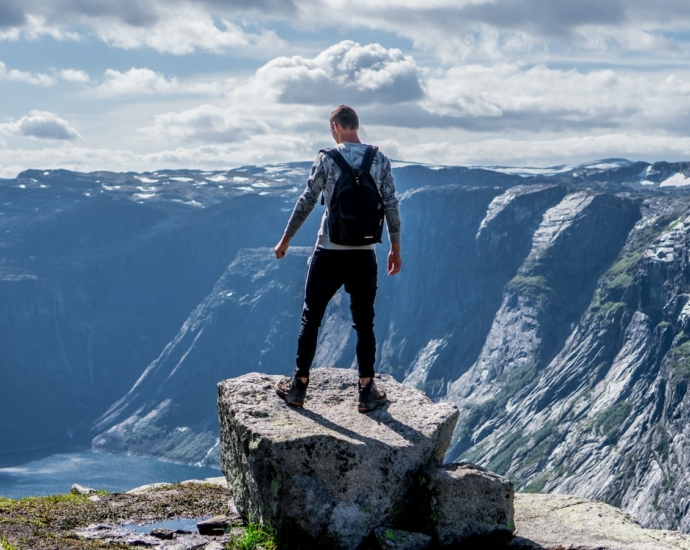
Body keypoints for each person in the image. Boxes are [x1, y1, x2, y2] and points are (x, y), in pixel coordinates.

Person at [273, 104, 402, 413]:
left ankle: (298, 387)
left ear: (335, 126)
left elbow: (307, 200)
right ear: (356, 125)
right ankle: (366, 391)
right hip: (365, 253)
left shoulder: (327, 159)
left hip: (328, 251)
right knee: (364, 322)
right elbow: (391, 205)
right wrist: (395, 248)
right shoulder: (380, 160)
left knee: (311, 317)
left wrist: (286, 239)